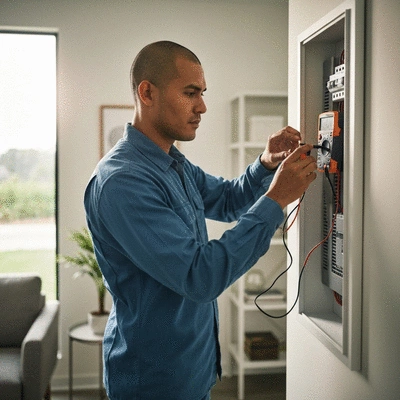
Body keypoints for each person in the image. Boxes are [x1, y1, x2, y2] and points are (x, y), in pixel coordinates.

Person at [84, 40, 316, 400]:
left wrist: (266, 164)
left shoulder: (172, 161)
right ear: (147, 93)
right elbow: (199, 275)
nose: (202, 106)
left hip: (192, 367)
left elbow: (226, 200)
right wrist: (276, 198)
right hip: (153, 380)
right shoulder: (122, 181)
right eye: (191, 93)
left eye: (202, 93)